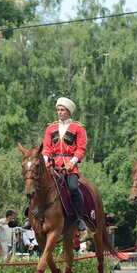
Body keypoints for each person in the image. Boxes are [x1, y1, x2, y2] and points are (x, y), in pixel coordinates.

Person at [42, 97, 88, 231]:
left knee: (73, 188)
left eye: (62, 110)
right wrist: (45, 160)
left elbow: (81, 149)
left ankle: (79, 218)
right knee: (37, 184)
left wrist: (71, 163)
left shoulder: (78, 128)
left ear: (69, 112)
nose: (59, 112)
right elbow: (46, 147)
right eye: (58, 110)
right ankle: (32, 215)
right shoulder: (50, 128)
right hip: (52, 164)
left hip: (70, 166)